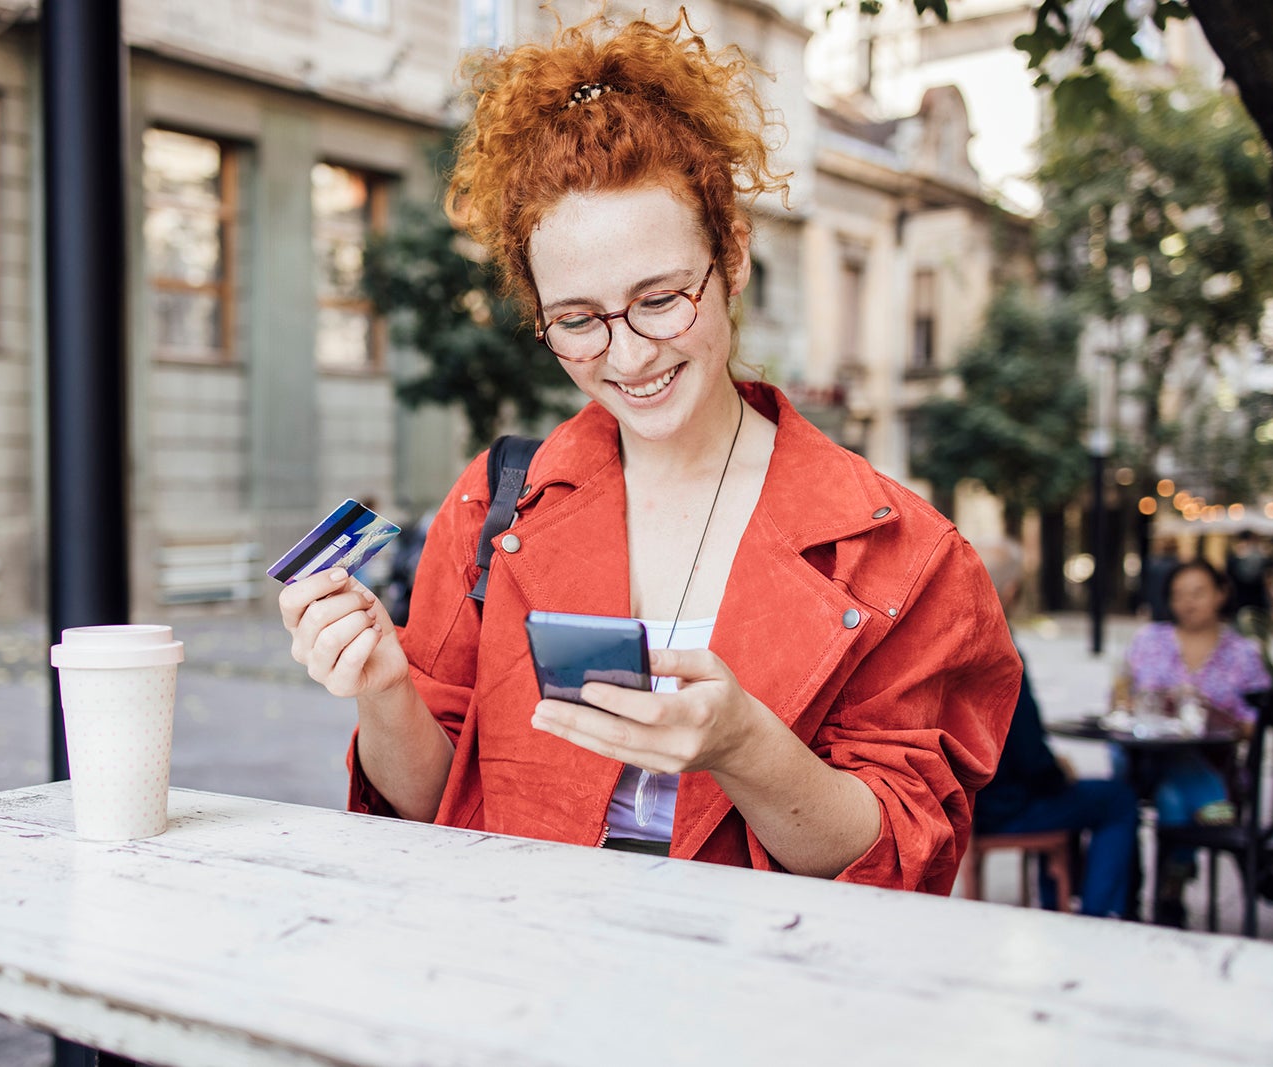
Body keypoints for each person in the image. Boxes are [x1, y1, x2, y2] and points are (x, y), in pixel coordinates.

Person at [278, 11, 1021, 891]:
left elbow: (904, 858)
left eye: (662, 299)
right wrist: (384, 684)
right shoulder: (496, 503)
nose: (629, 357)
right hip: (530, 991)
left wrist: (745, 747)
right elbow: (438, 810)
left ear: (732, 256)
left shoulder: (905, 556)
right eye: (579, 320)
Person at [971, 539, 1139, 918]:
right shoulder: (1002, 651)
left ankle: (1055, 903)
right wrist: (1058, 774)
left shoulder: (958, 642)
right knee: (1117, 800)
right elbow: (1031, 757)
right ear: (1012, 591)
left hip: (971, 802)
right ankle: (1095, 917)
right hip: (1006, 805)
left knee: (1072, 795)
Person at [1121, 558, 1272, 925]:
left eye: (1198, 593)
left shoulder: (1243, 653)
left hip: (1215, 764)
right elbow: (1122, 696)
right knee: (1175, 762)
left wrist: (1216, 718)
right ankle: (1221, 819)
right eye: (1178, 595)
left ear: (1222, 594)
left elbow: (1261, 722)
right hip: (1144, 760)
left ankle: (1170, 895)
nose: (1188, 603)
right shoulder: (1149, 641)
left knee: (1174, 792)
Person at [1139, 537, 1179, 623]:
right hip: (1170, 606)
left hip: (1156, 605)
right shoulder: (1177, 566)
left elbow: (1147, 587)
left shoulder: (1153, 564)